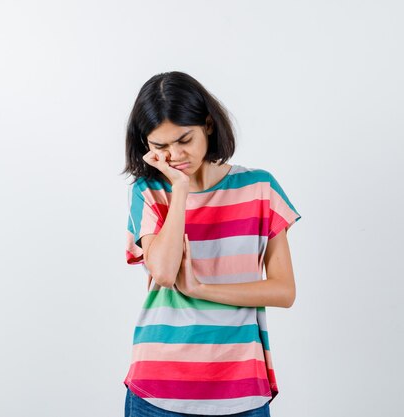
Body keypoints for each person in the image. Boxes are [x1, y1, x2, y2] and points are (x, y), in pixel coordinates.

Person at [120, 71, 302, 417]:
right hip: (159, 386)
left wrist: (201, 288)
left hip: (240, 388)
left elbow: (283, 291)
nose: (175, 155)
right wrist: (181, 187)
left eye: (184, 140)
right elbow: (162, 271)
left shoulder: (259, 188)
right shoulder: (149, 192)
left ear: (207, 125)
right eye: (161, 147)